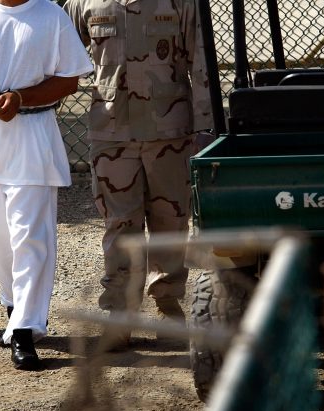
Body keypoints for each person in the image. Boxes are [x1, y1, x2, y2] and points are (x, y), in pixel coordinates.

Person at [0, 0, 93, 370]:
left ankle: (25, 329)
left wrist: (22, 98)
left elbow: (69, 78)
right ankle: (14, 305)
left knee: (30, 235)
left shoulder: (50, 15)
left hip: (32, 138)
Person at [63, 0, 213, 350]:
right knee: (119, 224)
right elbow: (61, 55)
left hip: (171, 132)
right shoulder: (83, 3)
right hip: (111, 133)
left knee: (171, 220)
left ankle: (168, 305)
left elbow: (202, 64)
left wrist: (206, 128)